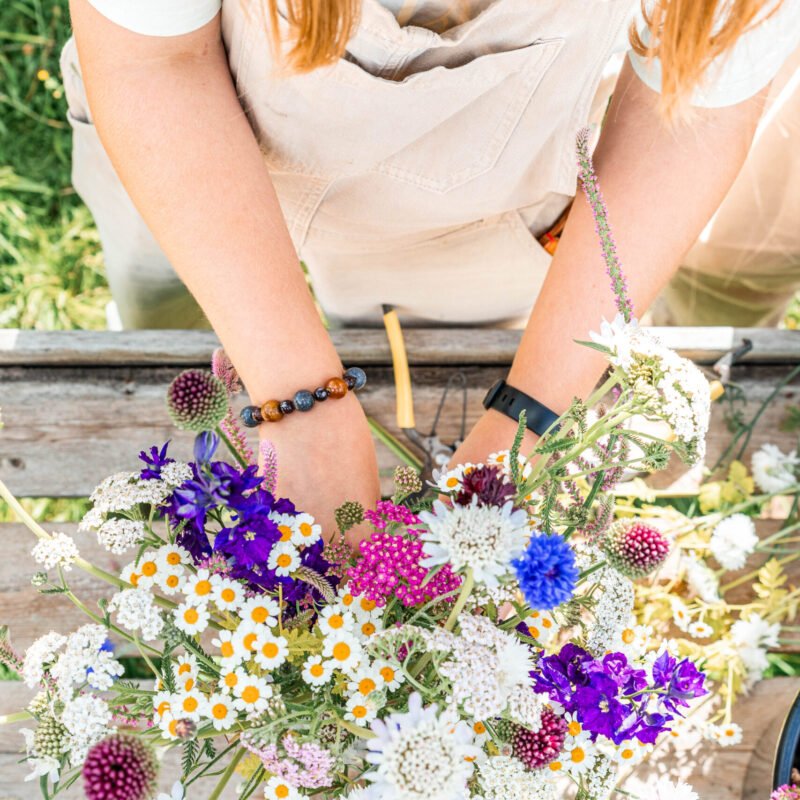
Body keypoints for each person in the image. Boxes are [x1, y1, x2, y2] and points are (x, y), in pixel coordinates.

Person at [64, 0, 799, 532]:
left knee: (467, 313)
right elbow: (152, 58)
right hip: (189, 143)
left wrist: (528, 424)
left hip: (483, 183)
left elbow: (689, 106)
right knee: (168, 310)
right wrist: (296, 399)